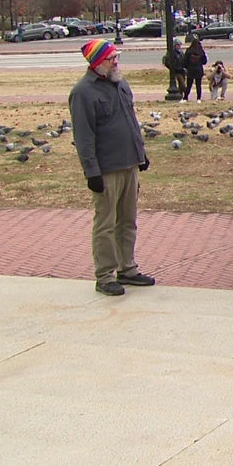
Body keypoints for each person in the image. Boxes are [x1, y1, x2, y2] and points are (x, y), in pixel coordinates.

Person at [68, 39, 155, 296]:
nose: (116, 62)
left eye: (117, 57)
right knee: (106, 224)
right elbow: (84, 138)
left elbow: (130, 121)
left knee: (128, 220)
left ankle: (127, 269)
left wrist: (141, 154)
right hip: (106, 169)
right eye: (111, 58)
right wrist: (92, 173)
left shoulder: (121, 84)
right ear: (97, 62)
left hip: (129, 163)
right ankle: (105, 275)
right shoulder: (83, 93)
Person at [182, 36, 208, 103]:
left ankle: (185, 97)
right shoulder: (201, 51)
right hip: (199, 69)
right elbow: (204, 62)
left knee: (189, 85)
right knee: (198, 85)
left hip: (190, 70)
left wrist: (186, 67)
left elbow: (185, 61)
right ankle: (198, 98)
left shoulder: (189, 51)